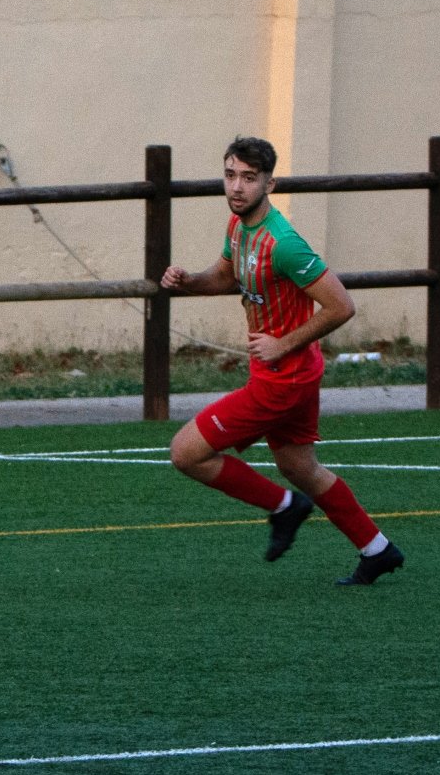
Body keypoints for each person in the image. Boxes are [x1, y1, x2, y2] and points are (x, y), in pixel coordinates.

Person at [161, 136, 403, 586]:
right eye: (231, 175)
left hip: (283, 379)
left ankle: (285, 508)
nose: (237, 187)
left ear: (269, 184)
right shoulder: (239, 228)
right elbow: (225, 276)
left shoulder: (284, 243)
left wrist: (282, 344)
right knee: (299, 467)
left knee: (186, 453)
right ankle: (378, 549)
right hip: (294, 373)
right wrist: (188, 281)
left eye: (249, 178)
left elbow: (341, 306)